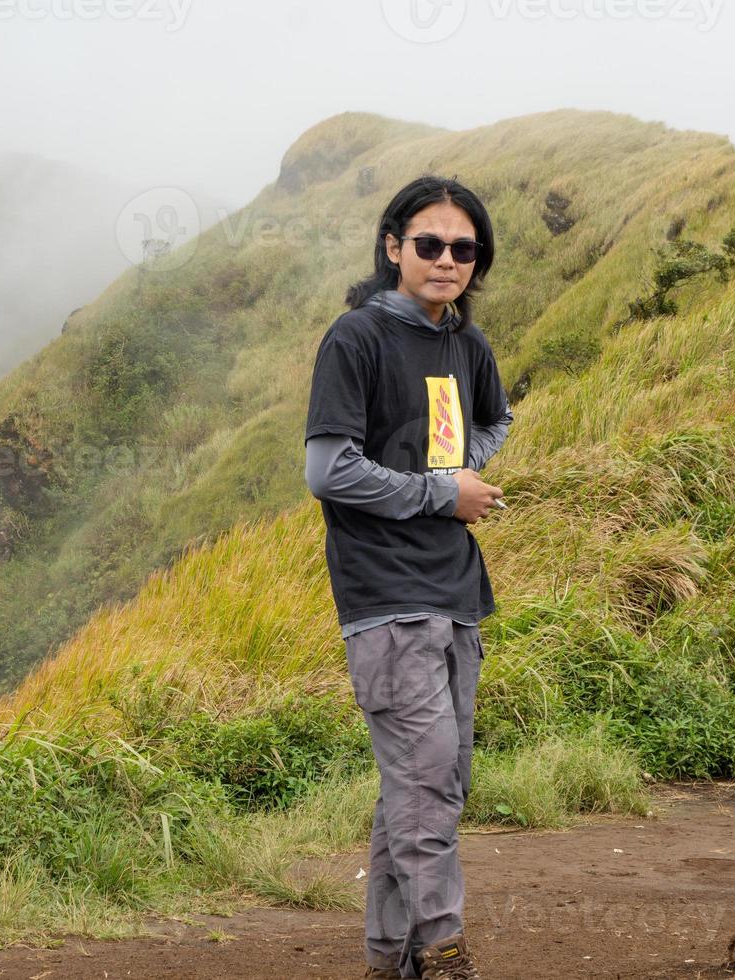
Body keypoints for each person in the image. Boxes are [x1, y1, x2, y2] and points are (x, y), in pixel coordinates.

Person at [303, 174, 511, 979]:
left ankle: (388, 961)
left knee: (426, 791)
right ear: (394, 248)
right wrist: (441, 492)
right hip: (386, 600)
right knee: (425, 791)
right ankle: (445, 953)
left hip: (457, 595)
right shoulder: (355, 339)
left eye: (464, 249)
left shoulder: (467, 346)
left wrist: (460, 470)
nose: (447, 260)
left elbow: (495, 419)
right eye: (430, 244)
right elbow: (328, 470)